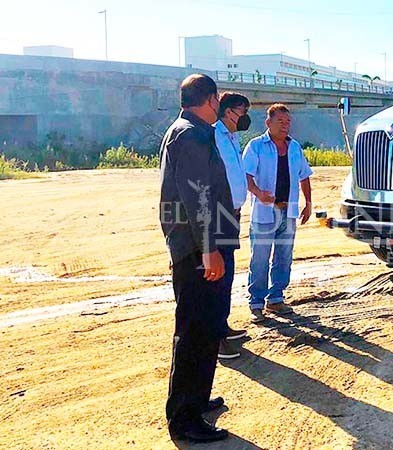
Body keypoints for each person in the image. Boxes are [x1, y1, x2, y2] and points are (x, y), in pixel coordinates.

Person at [159, 74, 237, 443]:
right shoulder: (189, 134)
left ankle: (197, 400)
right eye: (218, 98)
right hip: (197, 250)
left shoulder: (192, 129)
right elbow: (198, 196)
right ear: (210, 99)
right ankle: (184, 418)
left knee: (207, 328)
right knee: (194, 332)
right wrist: (209, 249)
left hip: (204, 244)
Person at [242, 103, 313, 323]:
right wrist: (258, 193)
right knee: (260, 258)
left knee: (284, 257)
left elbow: (304, 175)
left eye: (288, 122)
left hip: (288, 210)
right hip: (265, 211)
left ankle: (276, 298)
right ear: (268, 123)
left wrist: (308, 202)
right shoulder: (256, 146)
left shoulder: (294, 148)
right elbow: (246, 175)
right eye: (280, 121)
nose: (285, 126)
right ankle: (256, 303)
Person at [212, 91, 253, 358]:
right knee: (216, 275)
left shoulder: (231, 136)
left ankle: (222, 326)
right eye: (242, 111)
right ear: (228, 111)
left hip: (232, 213)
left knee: (226, 271)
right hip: (219, 212)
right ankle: (215, 339)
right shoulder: (214, 135)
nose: (245, 117)